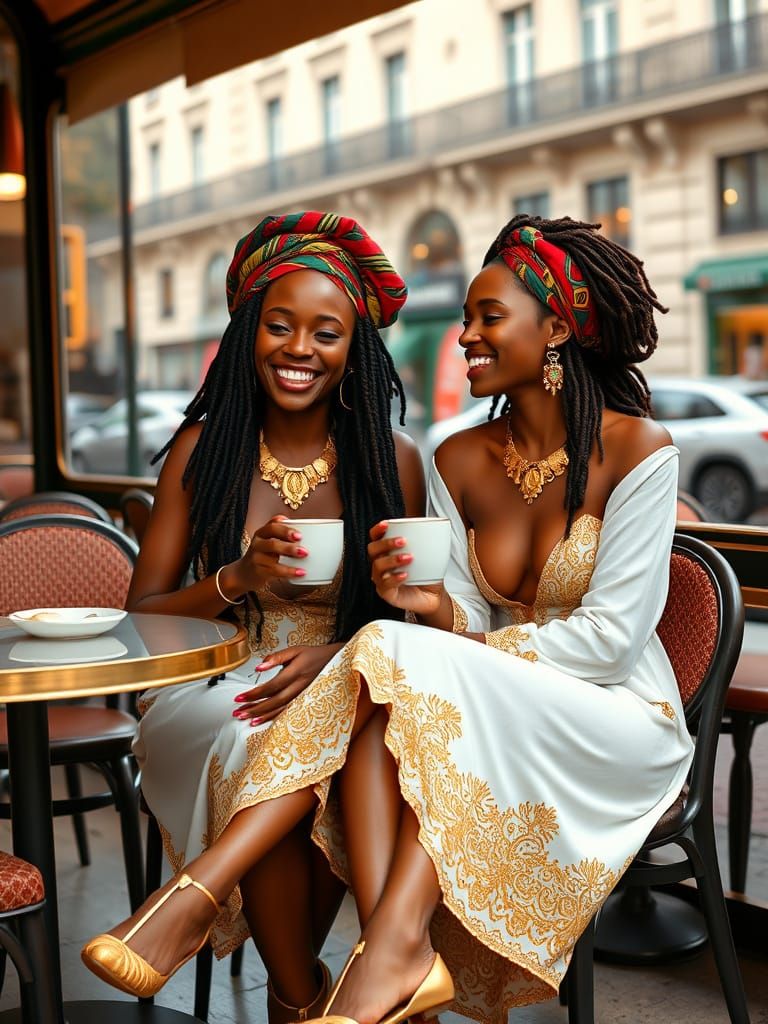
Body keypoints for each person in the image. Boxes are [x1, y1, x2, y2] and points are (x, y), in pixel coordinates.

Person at [83, 214, 694, 1024]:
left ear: (554, 328)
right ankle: (384, 958)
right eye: (279, 325)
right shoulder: (455, 458)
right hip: (416, 685)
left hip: (607, 705)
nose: (464, 335)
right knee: (367, 714)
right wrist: (429, 608)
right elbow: (455, 613)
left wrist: (438, 634)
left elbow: (612, 640)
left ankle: (204, 895)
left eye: (485, 318)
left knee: (372, 672)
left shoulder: (640, 450)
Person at [81, 210, 425, 1023]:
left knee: (319, 742)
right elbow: (144, 615)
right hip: (209, 682)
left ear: (356, 350)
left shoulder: (392, 458)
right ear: (247, 333)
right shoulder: (206, 449)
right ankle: (308, 996)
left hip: (342, 684)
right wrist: (236, 576)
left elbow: (413, 624)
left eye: (326, 333)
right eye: (280, 325)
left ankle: (288, 995)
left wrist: (338, 655)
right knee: (260, 733)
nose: (300, 349)